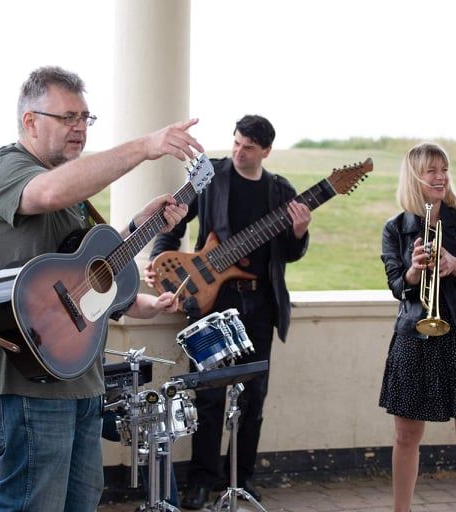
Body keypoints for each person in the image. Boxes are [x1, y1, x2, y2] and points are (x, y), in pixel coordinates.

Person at [0, 65, 201, 511]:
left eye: (85, 118)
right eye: (67, 117)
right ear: (30, 121)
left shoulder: (73, 197)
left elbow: (88, 267)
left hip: (82, 380)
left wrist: (139, 225)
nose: (80, 127)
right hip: (29, 384)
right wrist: (146, 146)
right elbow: (47, 194)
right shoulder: (6, 168)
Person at [145, 114, 312, 509]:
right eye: (236, 143)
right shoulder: (210, 176)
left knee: (253, 396)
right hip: (212, 300)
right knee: (208, 394)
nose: (239, 152)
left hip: (260, 304)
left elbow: (290, 253)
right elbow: (172, 220)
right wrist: (159, 259)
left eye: (248, 147)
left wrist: (299, 232)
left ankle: (242, 478)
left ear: (266, 151)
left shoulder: (281, 192)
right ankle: (201, 481)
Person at [0, 292, 181, 507]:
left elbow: (129, 300)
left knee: (147, 428)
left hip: (90, 395)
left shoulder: (88, 280)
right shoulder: (8, 287)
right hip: (37, 395)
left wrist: (156, 304)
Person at [379, 142, 456, 512]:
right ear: (415, 176)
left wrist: (455, 265)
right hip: (415, 338)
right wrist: (414, 271)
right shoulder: (395, 228)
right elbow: (396, 285)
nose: (440, 176)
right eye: (431, 170)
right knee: (406, 436)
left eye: (444, 169)